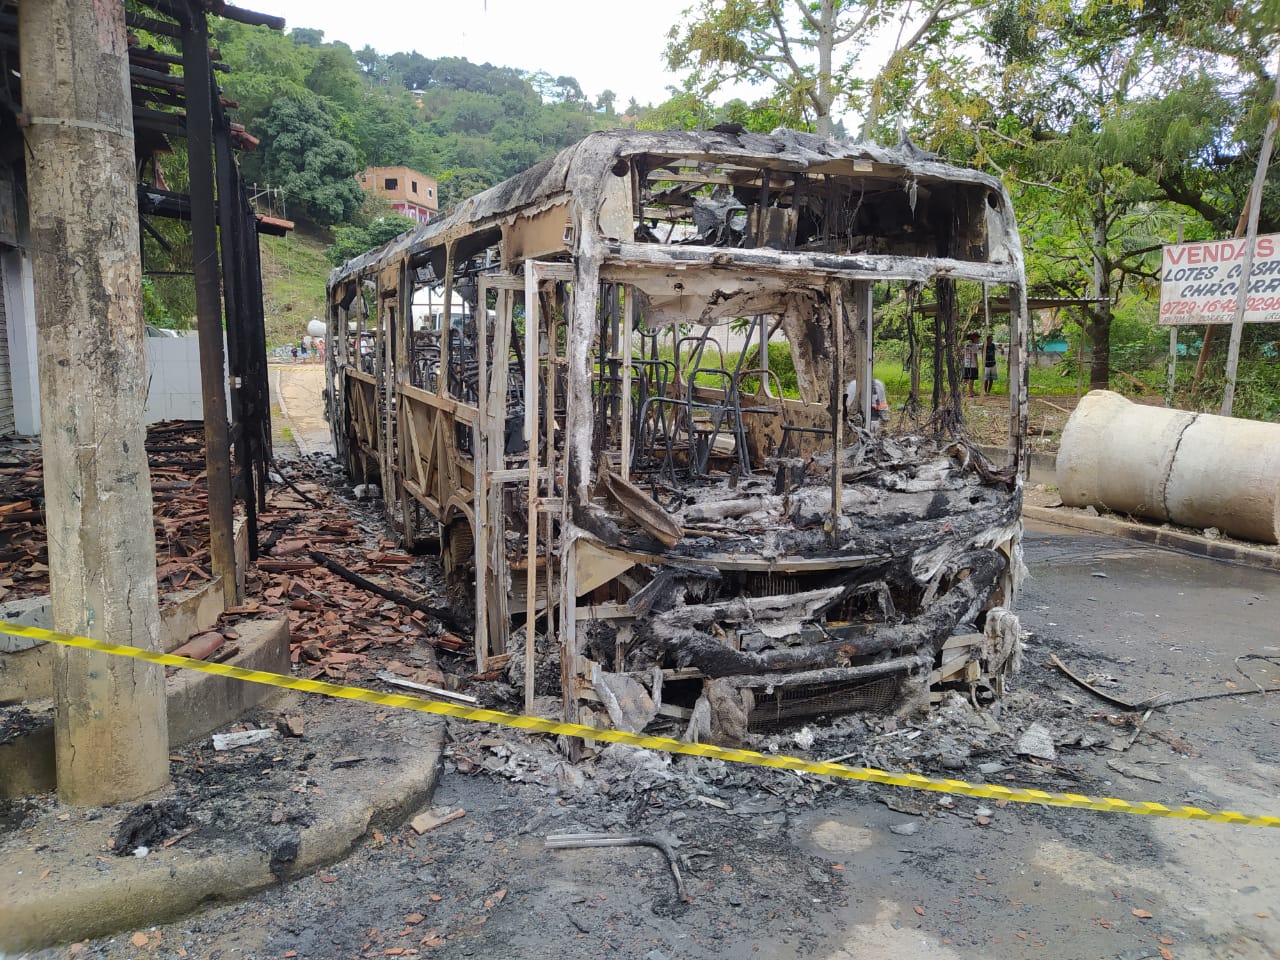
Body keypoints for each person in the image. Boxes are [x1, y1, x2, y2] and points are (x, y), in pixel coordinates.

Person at [962, 332, 980, 397]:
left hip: (966, 363)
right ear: (974, 338)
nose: (978, 339)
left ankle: (962, 392)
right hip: (972, 364)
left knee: (965, 378)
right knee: (971, 379)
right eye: (977, 338)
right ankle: (970, 392)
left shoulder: (966, 345)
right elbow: (975, 355)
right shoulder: (974, 345)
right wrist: (977, 364)